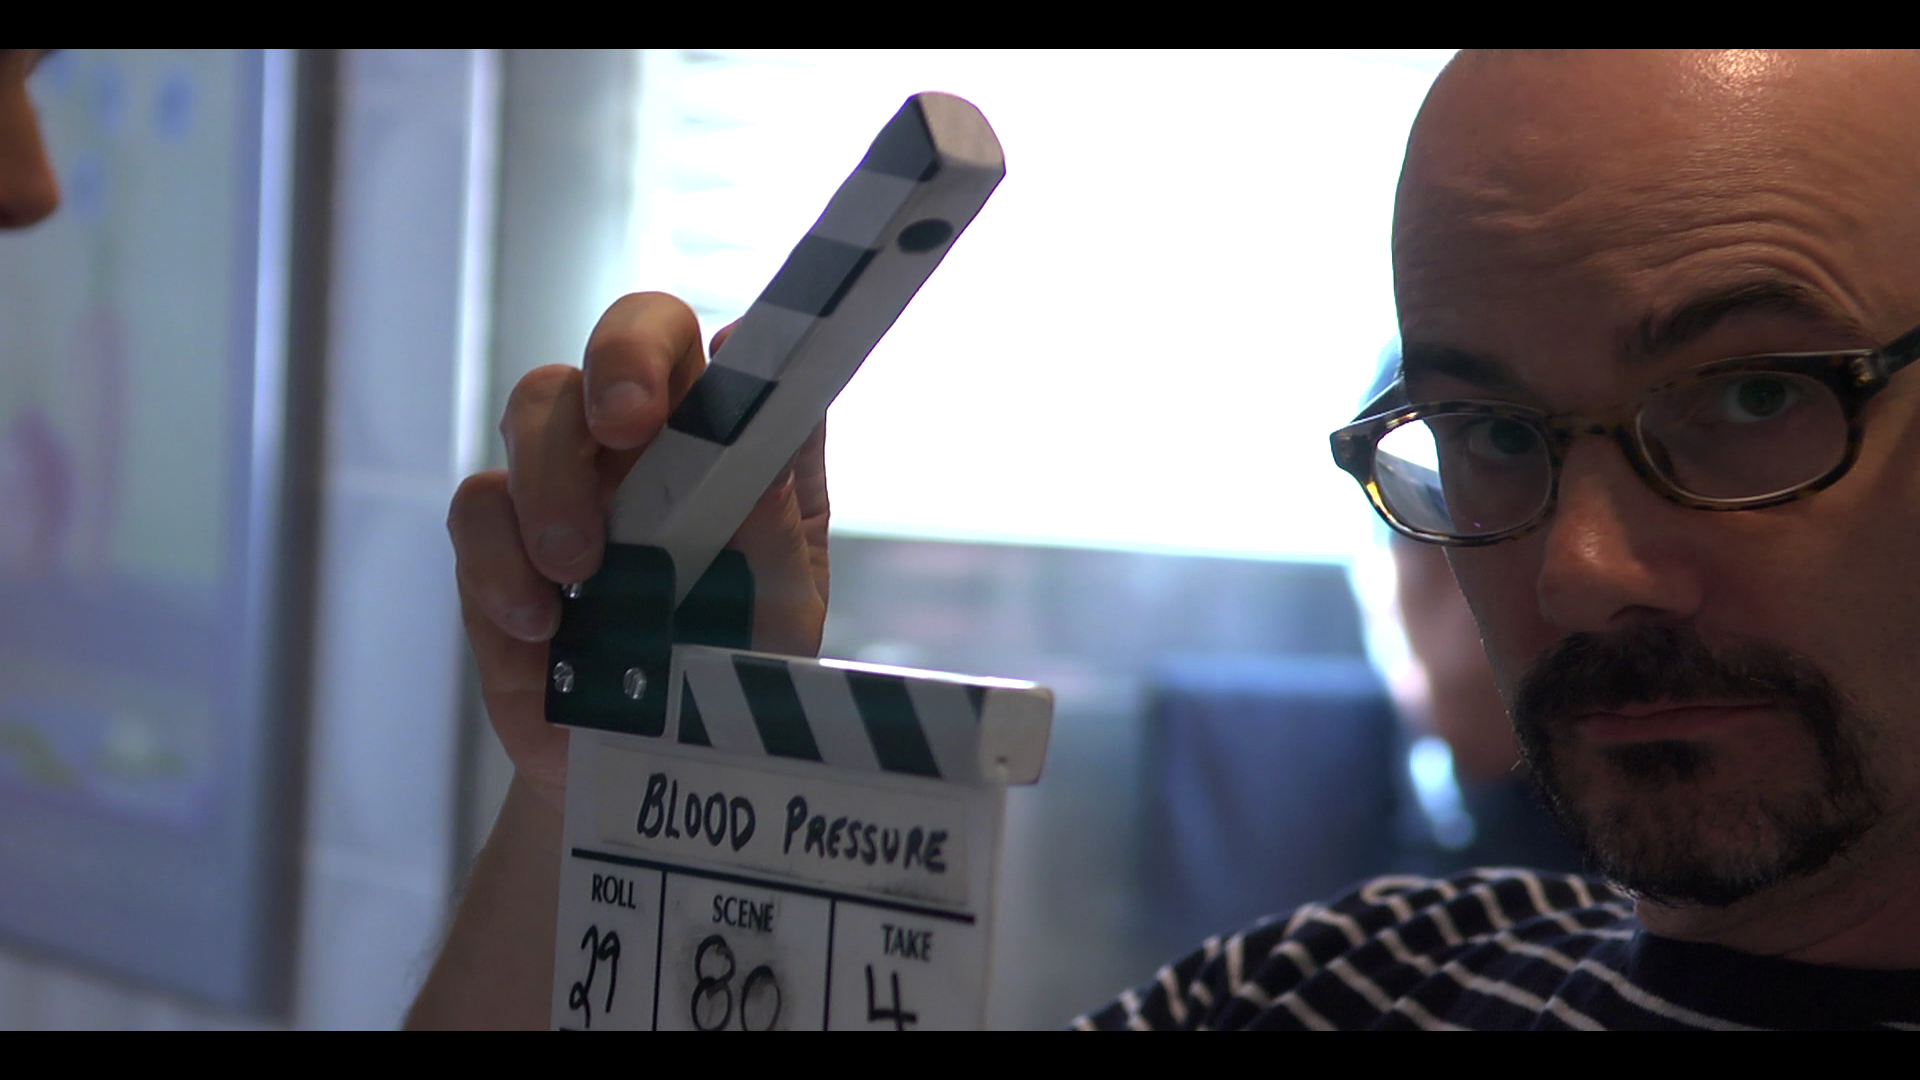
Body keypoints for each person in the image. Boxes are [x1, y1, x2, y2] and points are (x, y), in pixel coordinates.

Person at [424, 49, 1920, 1028]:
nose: (1581, 572)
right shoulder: (1342, 992)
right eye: (1492, 432)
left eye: (1754, 396)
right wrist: (630, 791)